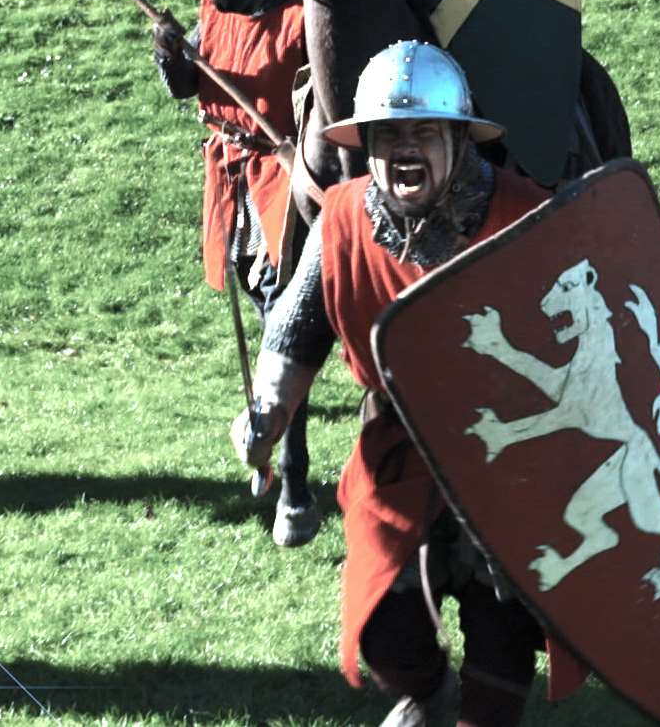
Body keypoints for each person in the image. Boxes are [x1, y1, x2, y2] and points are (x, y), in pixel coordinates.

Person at [230, 41, 563, 726]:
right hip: (398, 446)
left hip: (512, 452)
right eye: (389, 136)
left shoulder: (529, 217)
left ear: (457, 139)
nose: (404, 149)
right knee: (382, 620)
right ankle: (427, 692)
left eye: (422, 133)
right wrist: (266, 409)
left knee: (504, 630)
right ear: (367, 145)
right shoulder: (344, 221)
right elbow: (296, 331)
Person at [153, 0, 319, 546]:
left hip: (283, 179)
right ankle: (275, 455)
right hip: (232, 180)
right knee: (266, 312)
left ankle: (292, 483)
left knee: (281, 328)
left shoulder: (305, 12)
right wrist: (172, 52)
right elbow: (189, 85)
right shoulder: (217, 9)